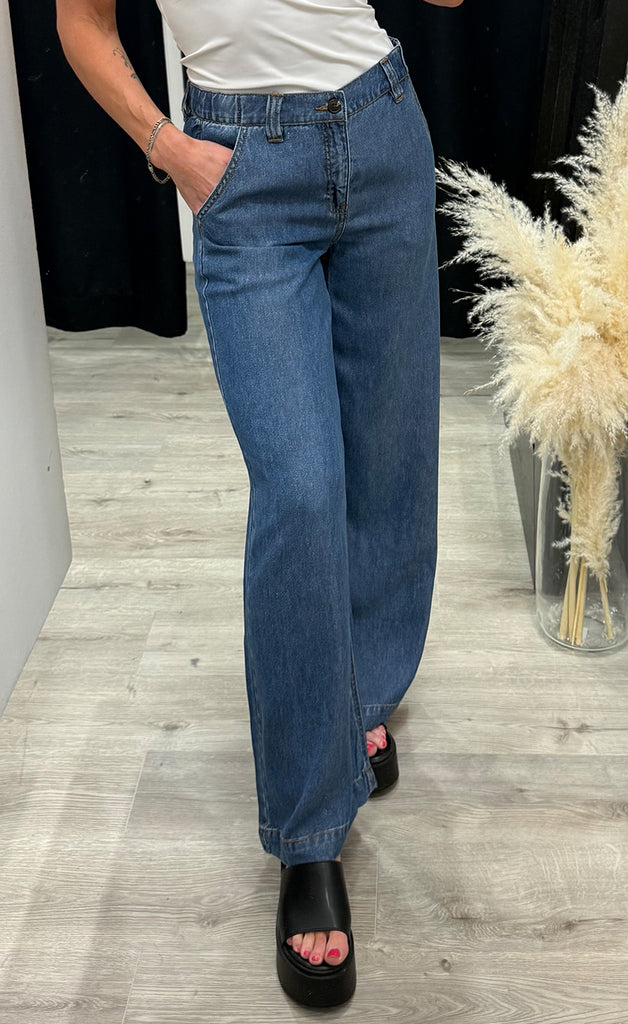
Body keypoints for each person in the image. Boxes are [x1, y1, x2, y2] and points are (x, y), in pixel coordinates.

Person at [55, 0, 463, 1007]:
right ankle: (310, 834)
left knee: (388, 461)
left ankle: (358, 700)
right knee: (301, 490)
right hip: (241, 164)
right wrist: (169, 149)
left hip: (380, 127)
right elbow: (81, 20)